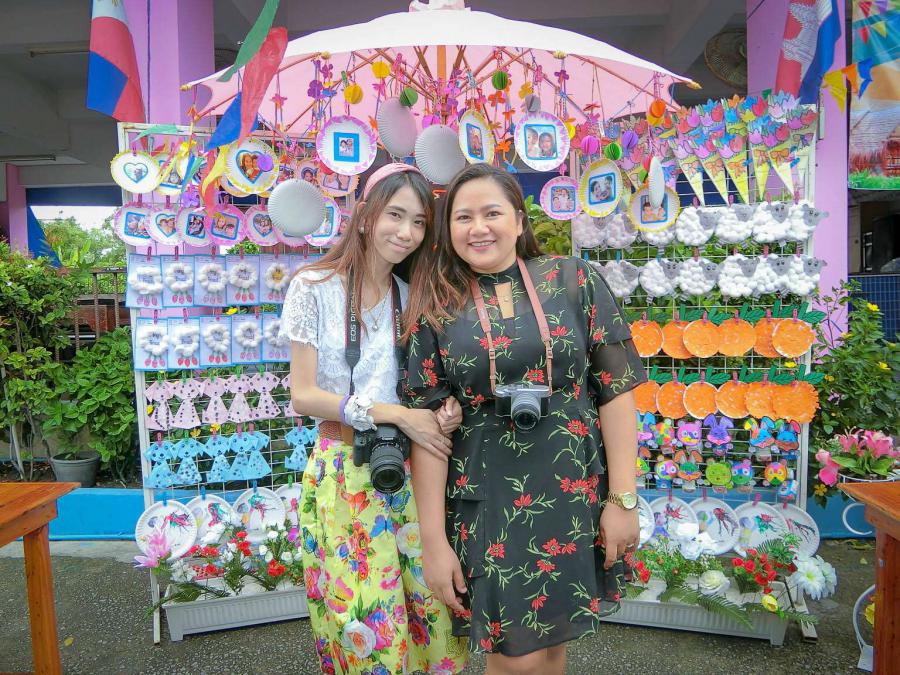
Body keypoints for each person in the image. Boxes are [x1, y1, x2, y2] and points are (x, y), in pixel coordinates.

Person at [404, 163, 644, 675]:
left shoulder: (574, 280)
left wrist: (623, 499)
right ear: (448, 230)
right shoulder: (436, 306)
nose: (478, 227)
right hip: (487, 499)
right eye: (463, 217)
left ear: (518, 220)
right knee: (516, 658)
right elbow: (427, 431)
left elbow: (616, 391)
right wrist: (433, 541)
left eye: (492, 213)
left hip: (572, 488)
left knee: (552, 646)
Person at [280, 163, 468, 675]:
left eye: (419, 222)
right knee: (365, 623)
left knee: (429, 617)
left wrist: (442, 411)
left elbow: (425, 388)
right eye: (395, 215)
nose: (406, 233)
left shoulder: (414, 296)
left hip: (412, 471)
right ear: (365, 216)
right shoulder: (314, 286)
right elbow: (303, 395)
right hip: (344, 470)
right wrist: (395, 414)